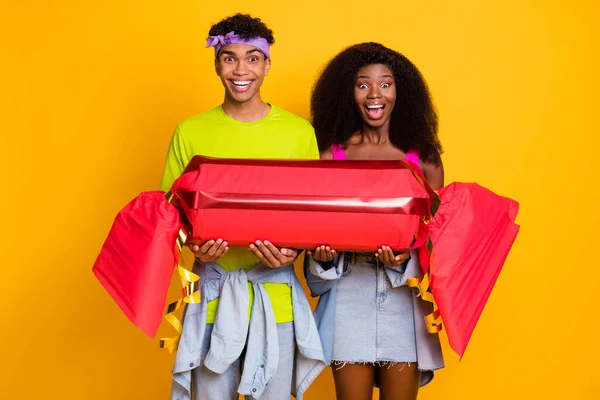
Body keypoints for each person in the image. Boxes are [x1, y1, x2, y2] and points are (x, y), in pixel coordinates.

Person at [159, 13, 324, 400]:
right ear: (216, 63)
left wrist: (291, 253)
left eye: (252, 58)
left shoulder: (299, 133)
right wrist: (192, 245)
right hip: (212, 300)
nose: (241, 69)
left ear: (267, 64)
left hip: (275, 300)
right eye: (230, 57)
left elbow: (313, 214)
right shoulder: (190, 132)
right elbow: (169, 217)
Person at [305, 42, 445, 400]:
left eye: (385, 83)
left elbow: (436, 242)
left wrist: (405, 260)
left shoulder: (424, 160)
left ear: (401, 91)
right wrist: (323, 255)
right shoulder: (327, 156)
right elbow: (309, 226)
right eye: (362, 83)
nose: (374, 94)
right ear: (347, 92)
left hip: (404, 300)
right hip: (347, 293)